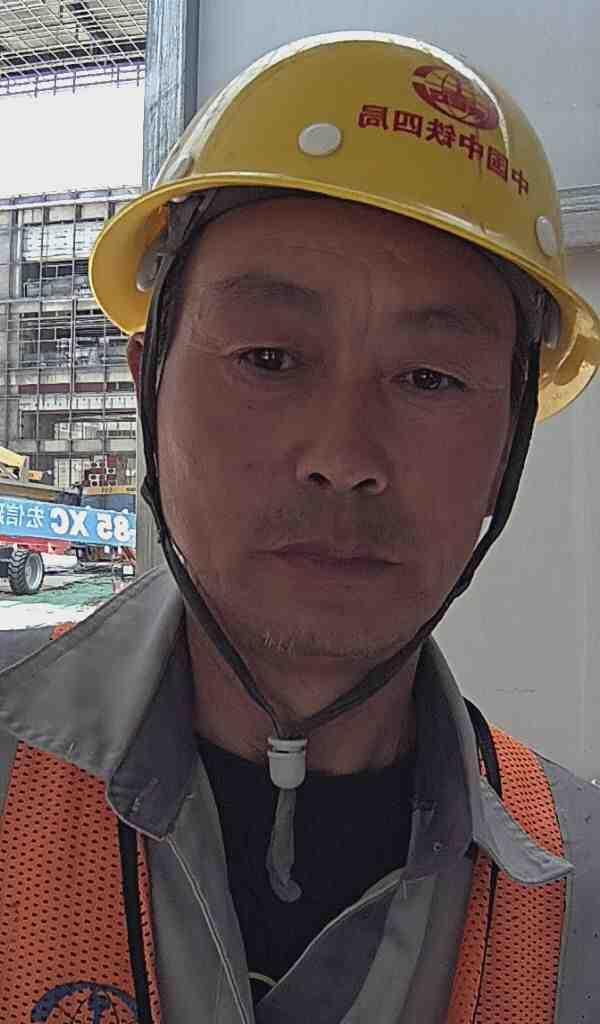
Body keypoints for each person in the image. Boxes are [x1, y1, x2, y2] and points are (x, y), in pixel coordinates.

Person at [1, 32, 599, 1023]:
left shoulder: (579, 895)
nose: (343, 453)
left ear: (508, 444)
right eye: (270, 359)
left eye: (430, 378)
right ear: (148, 384)